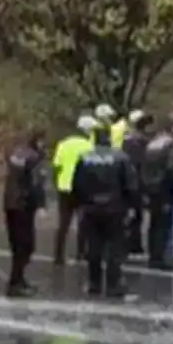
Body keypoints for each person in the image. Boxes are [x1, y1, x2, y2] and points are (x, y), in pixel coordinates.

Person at [72, 125, 138, 298]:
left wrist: (80, 204)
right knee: (115, 247)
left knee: (93, 247)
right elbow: (130, 184)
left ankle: (94, 283)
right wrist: (132, 205)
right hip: (114, 208)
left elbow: (76, 183)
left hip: (91, 208)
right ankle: (113, 284)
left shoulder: (85, 157)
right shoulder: (120, 157)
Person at [141, 111, 173, 269]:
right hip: (163, 187)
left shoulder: (153, 142)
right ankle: (158, 258)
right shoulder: (171, 144)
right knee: (163, 224)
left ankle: (152, 255)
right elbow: (172, 167)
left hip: (150, 187)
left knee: (153, 223)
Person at [2, 128, 47, 297]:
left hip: (10, 204)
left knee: (16, 245)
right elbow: (36, 184)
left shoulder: (16, 155)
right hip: (24, 204)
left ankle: (19, 279)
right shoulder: (34, 158)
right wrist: (41, 204)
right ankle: (15, 282)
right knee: (26, 246)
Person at [51, 114, 96, 265]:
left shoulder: (63, 144)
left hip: (64, 187)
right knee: (83, 222)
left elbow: (56, 166)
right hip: (82, 189)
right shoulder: (89, 146)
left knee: (63, 223)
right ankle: (81, 253)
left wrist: (56, 182)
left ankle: (58, 255)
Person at [120, 110, 154, 255]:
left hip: (127, 180)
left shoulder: (127, 139)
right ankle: (132, 244)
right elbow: (142, 164)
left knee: (132, 213)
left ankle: (131, 243)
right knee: (135, 213)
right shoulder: (139, 141)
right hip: (136, 181)